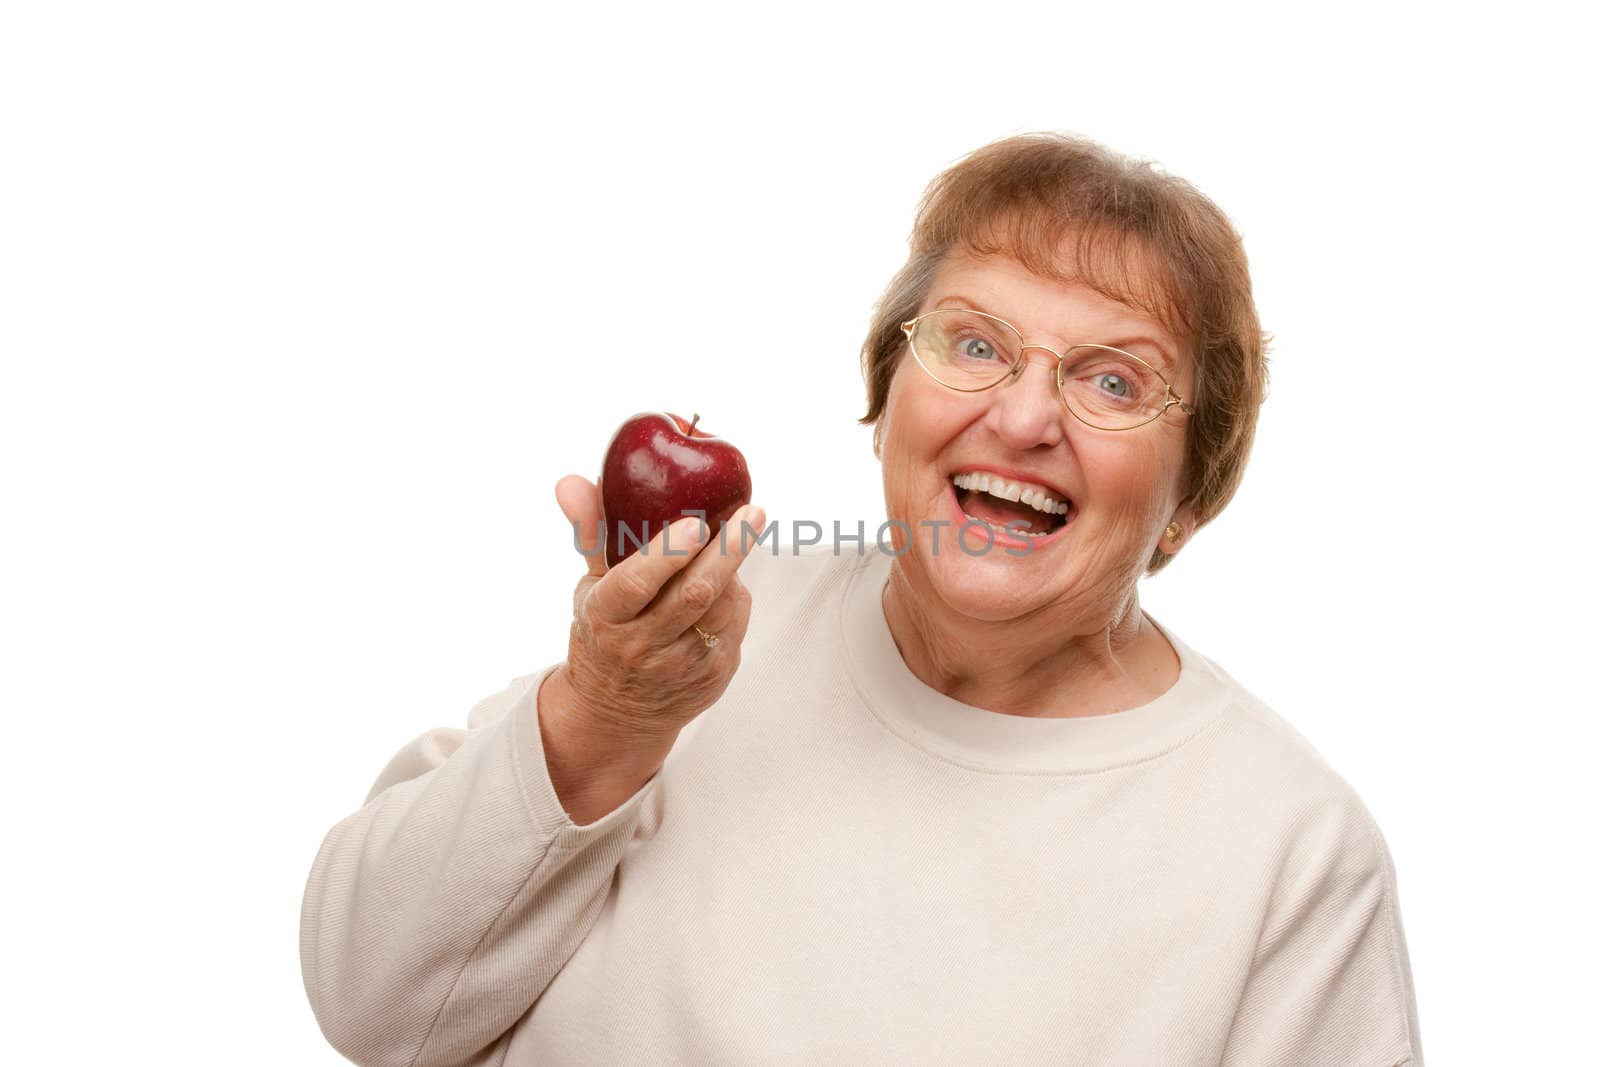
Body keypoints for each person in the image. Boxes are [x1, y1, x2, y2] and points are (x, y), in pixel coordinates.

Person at [301, 133, 1423, 1066]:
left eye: (1112, 379)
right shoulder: (693, 647)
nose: (1025, 416)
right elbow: (373, 1002)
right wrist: (604, 715)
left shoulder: (1289, 851)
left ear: (1190, 497)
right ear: (887, 405)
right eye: (975, 342)